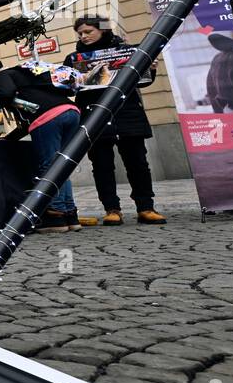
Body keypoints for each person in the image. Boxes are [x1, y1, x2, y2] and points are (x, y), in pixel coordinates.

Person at [63, 15, 166, 225]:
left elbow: (142, 82)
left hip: (127, 113)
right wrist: (69, 80)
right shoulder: (74, 58)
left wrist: (150, 69)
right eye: (80, 33)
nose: (83, 36)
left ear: (102, 30)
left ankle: (146, 207)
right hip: (94, 116)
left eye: (88, 32)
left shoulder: (127, 51)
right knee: (102, 166)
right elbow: (69, 88)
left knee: (138, 163)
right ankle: (112, 209)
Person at [0, 60, 82, 231]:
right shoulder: (22, 74)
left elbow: (5, 94)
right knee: (62, 166)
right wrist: (10, 138)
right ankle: (71, 216)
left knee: (49, 166)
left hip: (48, 116)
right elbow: (28, 121)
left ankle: (56, 216)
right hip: (70, 111)